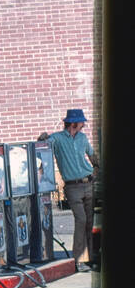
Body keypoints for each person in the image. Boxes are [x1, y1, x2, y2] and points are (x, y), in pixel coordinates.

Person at [39, 108, 99, 271]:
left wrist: (95, 172)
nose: (83, 125)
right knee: (81, 219)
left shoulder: (82, 138)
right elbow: (44, 145)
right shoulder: (57, 139)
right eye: (81, 122)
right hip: (72, 187)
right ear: (73, 123)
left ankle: (90, 259)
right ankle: (78, 259)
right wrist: (42, 138)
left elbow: (93, 157)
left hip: (88, 183)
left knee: (88, 222)